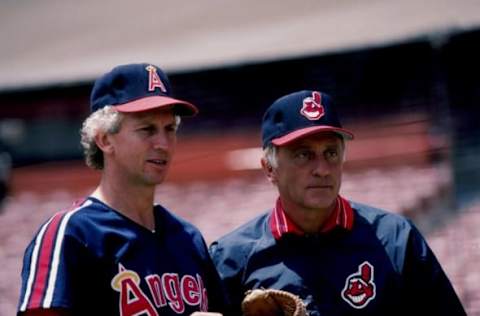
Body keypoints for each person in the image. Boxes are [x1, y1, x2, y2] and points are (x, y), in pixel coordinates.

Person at [210, 90, 466, 315]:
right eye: (303, 155)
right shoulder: (232, 257)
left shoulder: (396, 238)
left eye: (331, 153)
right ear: (269, 169)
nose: (322, 169)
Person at [18, 63, 227, 316]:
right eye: (147, 129)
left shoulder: (188, 238)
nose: (163, 143)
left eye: (169, 129)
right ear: (105, 139)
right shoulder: (71, 235)